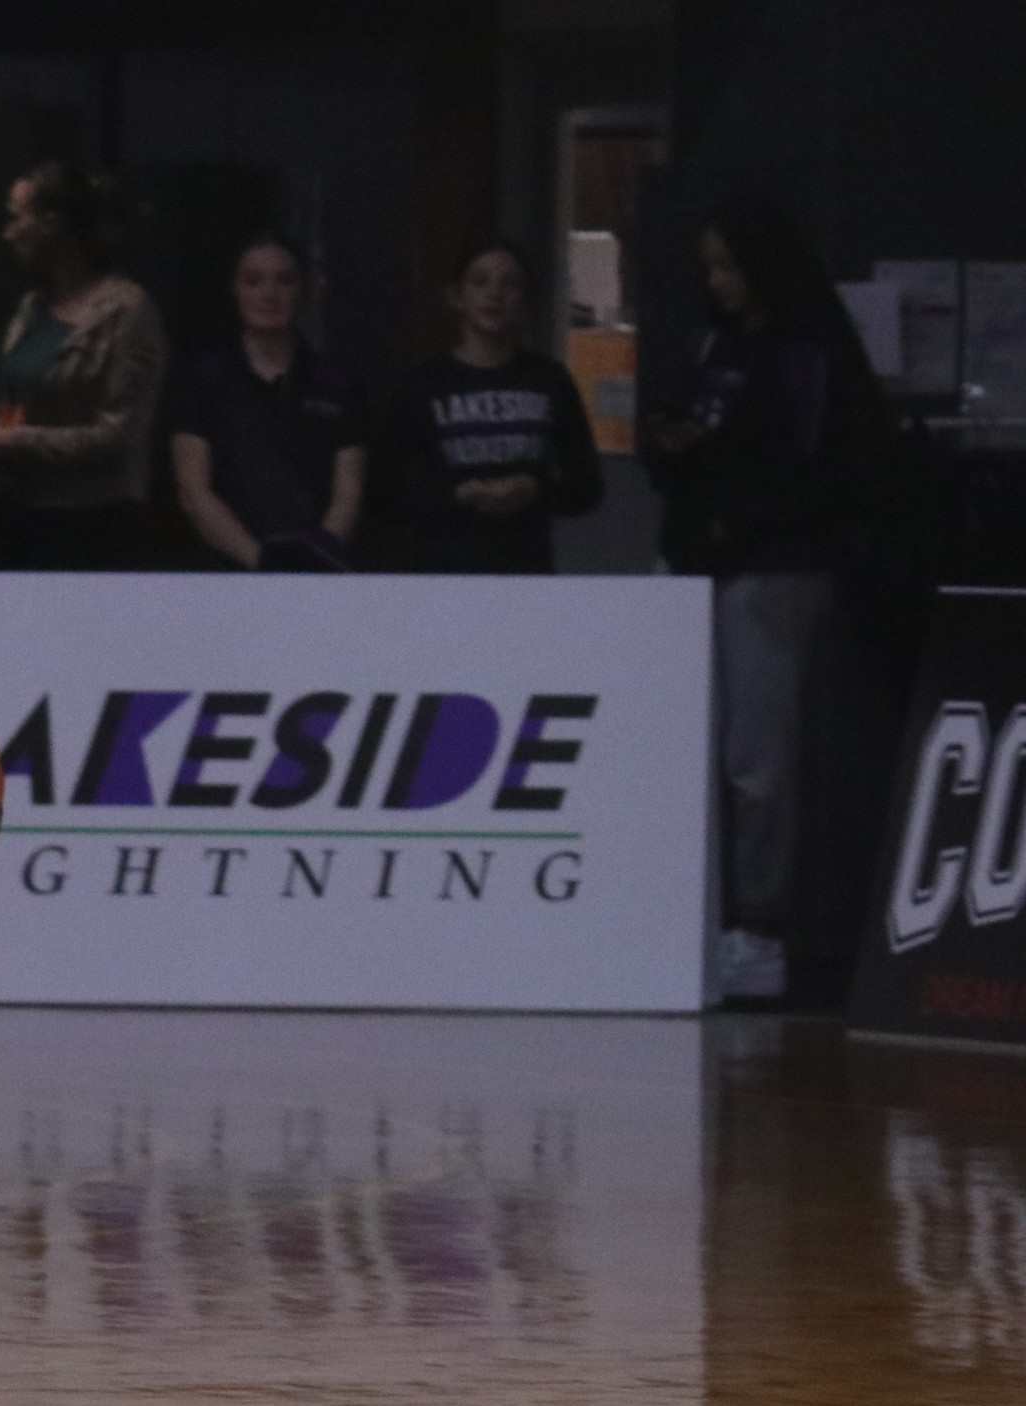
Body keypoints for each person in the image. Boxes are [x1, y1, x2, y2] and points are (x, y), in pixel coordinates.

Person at [642, 193, 882, 1004]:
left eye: (728, 266)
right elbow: (667, 438)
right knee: (687, 748)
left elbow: (815, 469)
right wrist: (680, 449)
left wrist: (722, 473)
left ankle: (760, 925)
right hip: (694, 563)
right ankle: (690, 910)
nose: (717, 281)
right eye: (708, 267)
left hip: (771, 571)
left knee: (758, 761)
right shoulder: (710, 344)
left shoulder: (808, 353)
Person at [378, 238, 604, 575]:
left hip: (525, 568)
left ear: (524, 299)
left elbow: (587, 485)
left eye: (509, 284)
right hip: (442, 570)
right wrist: (455, 495)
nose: (494, 294)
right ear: (457, 296)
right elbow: (382, 491)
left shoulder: (548, 380)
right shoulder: (423, 385)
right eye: (480, 282)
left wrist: (535, 490)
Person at [0, 161, 168, 570]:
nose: (8, 233)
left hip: (96, 523)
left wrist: (11, 441)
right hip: (22, 515)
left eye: (17, 219)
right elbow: (12, 398)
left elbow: (120, 436)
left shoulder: (126, 311)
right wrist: (0, 441)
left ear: (51, 223)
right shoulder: (32, 307)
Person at [165, 231, 366, 571]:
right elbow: (194, 494)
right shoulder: (200, 378)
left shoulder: (339, 381)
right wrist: (263, 563)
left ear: (302, 289)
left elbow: (349, 492)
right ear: (235, 288)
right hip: (224, 571)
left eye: (284, 281)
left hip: (320, 573)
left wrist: (317, 558)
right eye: (253, 281)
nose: (269, 294)